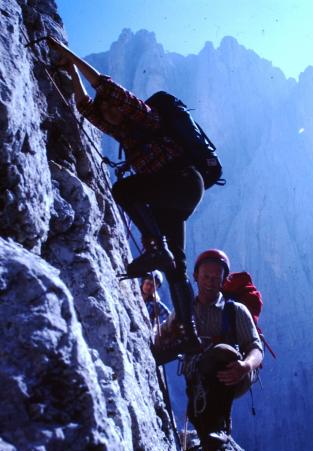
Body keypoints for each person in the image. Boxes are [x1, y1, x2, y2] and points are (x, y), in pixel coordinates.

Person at [47, 37, 204, 353]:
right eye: (106, 108)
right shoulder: (119, 129)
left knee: (124, 190)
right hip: (171, 197)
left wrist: (67, 54)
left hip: (183, 181)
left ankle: (157, 248)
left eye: (110, 105)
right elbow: (86, 106)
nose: (108, 111)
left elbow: (102, 84)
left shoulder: (142, 113)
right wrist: (68, 71)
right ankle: (190, 335)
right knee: (177, 266)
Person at [157, 249, 263, 451]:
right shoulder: (185, 311)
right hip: (200, 380)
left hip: (233, 374)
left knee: (223, 353)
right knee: (210, 445)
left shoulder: (235, 311)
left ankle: (216, 424)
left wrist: (244, 366)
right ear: (196, 277)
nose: (211, 280)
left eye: (217, 276)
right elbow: (161, 342)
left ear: (224, 279)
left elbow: (255, 349)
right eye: (206, 275)